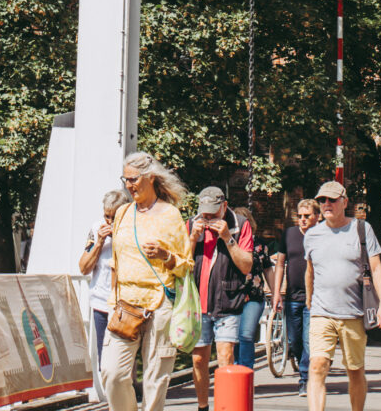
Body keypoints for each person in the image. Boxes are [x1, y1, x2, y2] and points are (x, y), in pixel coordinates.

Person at [100, 152, 191, 411]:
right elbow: (116, 263)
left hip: (160, 305)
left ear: (150, 178)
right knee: (112, 374)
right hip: (125, 305)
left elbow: (186, 266)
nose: (129, 186)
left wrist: (166, 256)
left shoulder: (171, 215)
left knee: (155, 380)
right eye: (125, 180)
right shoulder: (122, 214)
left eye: (133, 179)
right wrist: (112, 302)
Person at [303, 180, 381, 411]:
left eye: (332, 199)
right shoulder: (312, 235)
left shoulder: (361, 229)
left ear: (345, 202)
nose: (327, 204)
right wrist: (309, 302)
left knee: (355, 370)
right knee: (317, 366)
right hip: (322, 313)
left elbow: (377, 267)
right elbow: (310, 271)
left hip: (354, 313)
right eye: (322, 200)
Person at [189, 185, 255, 411]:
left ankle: (223, 406)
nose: (207, 218)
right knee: (199, 359)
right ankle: (202, 406)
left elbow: (247, 266)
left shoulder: (240, 225)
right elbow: (181, 265)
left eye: (213, 214)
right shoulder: (191, 224)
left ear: (224, 207)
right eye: (204, 213)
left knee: (225, 357)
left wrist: (227, 237)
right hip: (198, 302)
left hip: (227, 300)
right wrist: (192, 238)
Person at [271, 199, 319, 396]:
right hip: (292, 296)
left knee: (308, 341)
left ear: (317, 216)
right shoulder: (289, 234)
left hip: (314, 298)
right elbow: (281, 263)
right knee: (295, 341)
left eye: (307, 216)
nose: (303, 220)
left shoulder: (321, 235)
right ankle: (304, 369)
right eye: (299, 216)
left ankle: (305, 379)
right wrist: (277, 293)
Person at [80, 189, 133, 368]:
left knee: (124, 359)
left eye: (114, 217)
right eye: (106, 217)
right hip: (101, 303)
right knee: (105, 358)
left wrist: (119, 238)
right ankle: (109, 393)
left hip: (127, 305)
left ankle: (131, 391)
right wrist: (100, 242)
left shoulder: (133, 230)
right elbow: (83, 268)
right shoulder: (96, 229)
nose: (109, 222)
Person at [229, 206, 269, 370]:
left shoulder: (259, 244)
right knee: (233, 336)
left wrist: (274, 292)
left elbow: (268, 268)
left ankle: (246, 370)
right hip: (232, 295)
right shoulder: (229, 243)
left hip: (253, 296)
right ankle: (237, 368)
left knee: (246, 334)